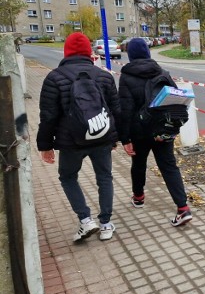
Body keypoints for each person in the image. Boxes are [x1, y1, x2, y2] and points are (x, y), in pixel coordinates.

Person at [36, 32, 121, 241]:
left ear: (66, 52)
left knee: (68, 177)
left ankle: (85, 220)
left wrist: (45, 146)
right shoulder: (104, 76)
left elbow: (48, 116)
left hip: (70, 142)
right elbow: (116, 110)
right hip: (100, 136)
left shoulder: (54, 77)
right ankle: (106, 224)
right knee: (104, 177)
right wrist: (114, 137)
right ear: (89, 53)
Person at [117, 38, 193, 227]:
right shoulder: (163, 72)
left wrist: (124, 138)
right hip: (163, 129)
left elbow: (124, 110)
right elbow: (175, 99)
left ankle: (139, 197)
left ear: (131, 54)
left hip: (139, 131)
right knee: (169, 166)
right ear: (148, 53)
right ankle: (183, 208)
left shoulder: (126, 77)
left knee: (139, 164)